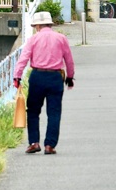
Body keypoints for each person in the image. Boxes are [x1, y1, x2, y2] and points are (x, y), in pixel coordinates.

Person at [13, 11, 75, 155]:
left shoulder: (33, 39)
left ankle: (34, 143)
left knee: (33, 111)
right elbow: (69, 60)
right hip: (55, 77)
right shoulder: (61, 38)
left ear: (37, 26)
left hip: (37, 76)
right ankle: (50, 145)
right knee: (54, 112)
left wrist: (17, 77)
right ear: (50, 24)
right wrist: (70, 78)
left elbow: (23, 58)